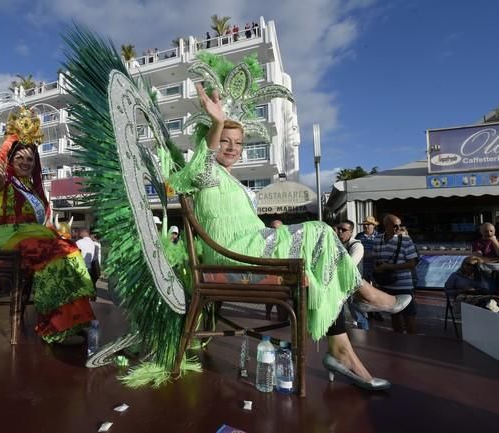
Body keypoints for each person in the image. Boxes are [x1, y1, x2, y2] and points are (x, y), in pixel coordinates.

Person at [169, 82, 411, 390]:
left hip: (252, 246)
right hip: (232, 255)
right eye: (225, 141)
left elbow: (247, 223)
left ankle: (343, 351)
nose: (231, 147)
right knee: (321, 231)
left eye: (238, 143)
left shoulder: (234, 182)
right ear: (212, 141)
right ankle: (365, 297)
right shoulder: (206, 174)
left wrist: (276, 233)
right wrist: (217, 122)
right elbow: (202, 165)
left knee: (321, 268)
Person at [0, 107, 95, 344]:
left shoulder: (32, 188)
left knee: (70, 250)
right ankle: (54, 326)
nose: (25, 162)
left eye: (30, 159)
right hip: (7, 235)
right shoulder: (4, 180)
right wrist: (10, 141)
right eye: (19, 157)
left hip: (31, 235)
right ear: (10, 159)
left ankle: (73, 321)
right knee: (52, 252)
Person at [373, 214, 418, 334]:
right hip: (386, 284)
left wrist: (390, 266)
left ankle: (413, 343)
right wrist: (377, 268)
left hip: (404, 286)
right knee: (394, 315)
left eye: (399, 226)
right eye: (395, 226)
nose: (398, 229)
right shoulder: (377, 239)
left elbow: (412, 263)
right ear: (386, 225)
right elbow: (376, 258)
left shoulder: (406, 240)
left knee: (409, 317)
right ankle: (398, 341)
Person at [336, 220, 369, 330]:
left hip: (354, 287)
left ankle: (365, 340)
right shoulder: (336, 244)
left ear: (351, 232)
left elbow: (350, 265)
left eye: (344, 230)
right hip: (340, 286)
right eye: (338, 229)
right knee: (341, 316)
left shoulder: (356, 245)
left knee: (359, 316)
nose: (340, 232)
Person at [355, 216, 383, 322]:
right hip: (363, 268)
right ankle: (367, 312)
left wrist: (372, 254)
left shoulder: (380, 237)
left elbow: (382, 251)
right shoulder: (359, 236)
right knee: (365, 291)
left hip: (376, 267)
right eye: (364, 224)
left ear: (373, 226)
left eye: (368, 224)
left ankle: (377, 312)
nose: (366, 226)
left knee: (377, 290)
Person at [76, 228, 101, 292]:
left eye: (80, 232)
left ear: (84, 233)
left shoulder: (79, 242)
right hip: (89, 268)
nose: (79, 233)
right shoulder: (94, 244)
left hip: (80, 268)